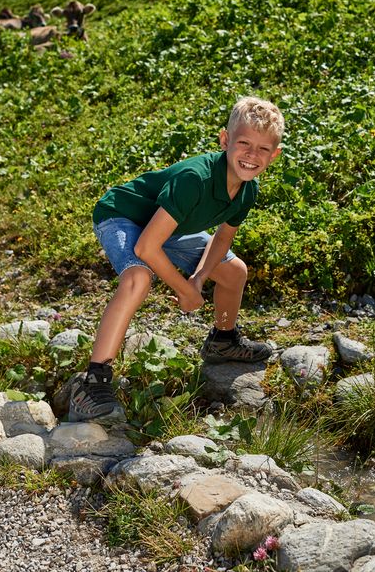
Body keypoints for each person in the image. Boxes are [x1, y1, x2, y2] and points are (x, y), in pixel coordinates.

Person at [69, 96, 285, 425]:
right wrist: (185, 290)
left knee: (234, 271)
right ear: (225, 140)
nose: (252, 156)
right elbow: (145, 249)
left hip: (167, 229)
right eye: (244, 143)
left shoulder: (247, 189)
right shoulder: (194, 179)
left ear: (275, 155)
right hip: (123, 217)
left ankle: (223, 340)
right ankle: (93, 383)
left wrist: (198, 279)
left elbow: (223, 238)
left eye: (263, 149)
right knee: (138, 278)